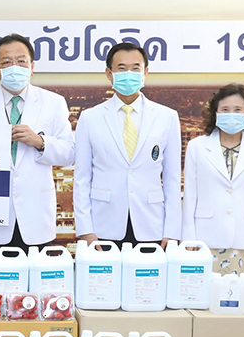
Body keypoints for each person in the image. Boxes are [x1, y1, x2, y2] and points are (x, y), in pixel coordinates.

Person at [0, 33, 74, 257]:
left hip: (36, 219)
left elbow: (69, 153)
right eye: (6, 62)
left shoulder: (53, 103)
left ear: (32, 67)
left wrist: (40, 142)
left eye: (21, 61)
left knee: (36, 280)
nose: (15, 67)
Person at [74, 42, 181, 246]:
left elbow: (172, 180)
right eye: (121, 68)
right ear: (109, 73)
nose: (128, 75)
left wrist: (172, 231)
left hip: (152, 225)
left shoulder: (167, 117)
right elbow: (81, 178)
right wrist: (86, 230)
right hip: (103, 225)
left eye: (135, 68)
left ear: (145, 73)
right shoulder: (90, 118)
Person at [181, 83, 244, 275]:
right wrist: (188, 238)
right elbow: (190, 195)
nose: (231, 114)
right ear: (215, 113)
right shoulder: (197, 147)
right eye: (225, 109)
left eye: (238, 109)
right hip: (206, 238)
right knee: (207, 291)